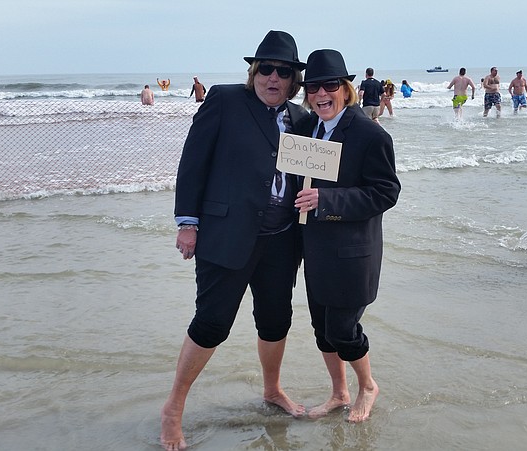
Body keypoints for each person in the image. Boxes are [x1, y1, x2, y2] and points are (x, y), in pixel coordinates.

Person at [160, 30, 309, 451]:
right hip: (227, 234)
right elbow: (193, 162)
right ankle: (173, 407)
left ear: (294, 79)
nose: (273, 77)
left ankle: (272, 390)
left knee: (276, 320)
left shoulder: (300, 119)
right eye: (266, 68)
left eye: (283, 71)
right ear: (254, 71)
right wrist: (187, 223)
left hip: (282, 239)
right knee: (211, 324)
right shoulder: (224, 100)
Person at [293, 48, 400, 423]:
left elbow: (387, 192)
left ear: (346, 88)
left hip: (354, 253)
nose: (321, 94)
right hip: (315, 248)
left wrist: (326, 199)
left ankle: (367, 386)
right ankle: (339, 393)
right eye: (312, 88)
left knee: (343, 329)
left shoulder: (371, 135)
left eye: (329, 86)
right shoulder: (304, 129)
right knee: (321, 328)